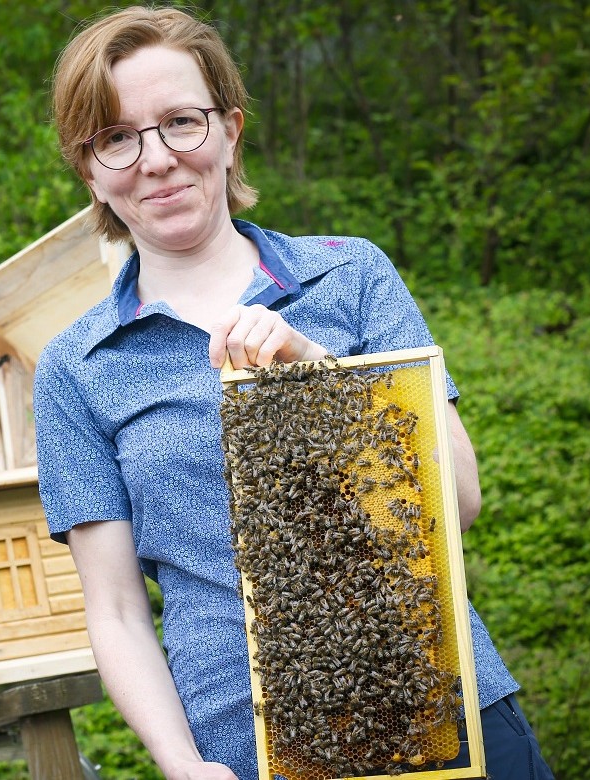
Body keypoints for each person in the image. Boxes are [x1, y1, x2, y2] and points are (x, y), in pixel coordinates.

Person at [33, 6, 554, 780]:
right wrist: (179, 762)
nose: (157, 158)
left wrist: (319, 377)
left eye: (182, 121)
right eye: (117, 136)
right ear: (89, 166)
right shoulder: (75, 368)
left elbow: (462, 498)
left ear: (231, 129)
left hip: (445, 707)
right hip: (247, 749)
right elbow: (114, 611)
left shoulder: (353, 275)